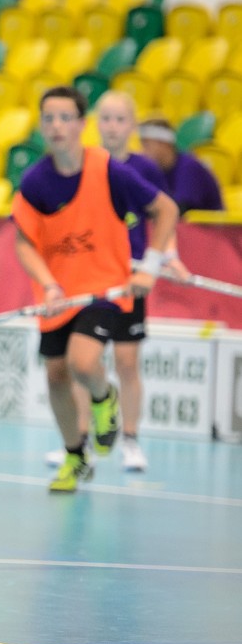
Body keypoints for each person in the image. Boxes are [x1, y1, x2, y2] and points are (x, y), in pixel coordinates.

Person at [12, 86, 179, 493]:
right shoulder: (35, 181)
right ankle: (75, 456)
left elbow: (166, 210)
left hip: (105, 289)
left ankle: (105, 401)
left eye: (65, 118)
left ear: (81, 125)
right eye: (49, 118)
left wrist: (150, 268)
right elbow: (24, 242)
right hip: (59, 296)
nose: (56, 126)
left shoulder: (107, 169)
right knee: (56, 376)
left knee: (83, 363)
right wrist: (49, 285)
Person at [47, 92, 190, 472]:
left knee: (127, 361)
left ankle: (130, 439)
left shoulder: (144, 169)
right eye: (106, 119)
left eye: (119, 120)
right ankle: (80, 439)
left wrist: (169, 258)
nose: (112, 127)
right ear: (95, 124)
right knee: (82, 361)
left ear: (132, 126)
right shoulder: (83, 164)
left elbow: (163, 216)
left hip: (130, 278)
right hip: (91, 277)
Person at [139, 117, 224, 214]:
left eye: (146, 145)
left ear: (163, 144)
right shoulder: (157, 170)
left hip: (210, 223)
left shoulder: (189, 167)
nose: (142, 151)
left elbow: (181, 208)